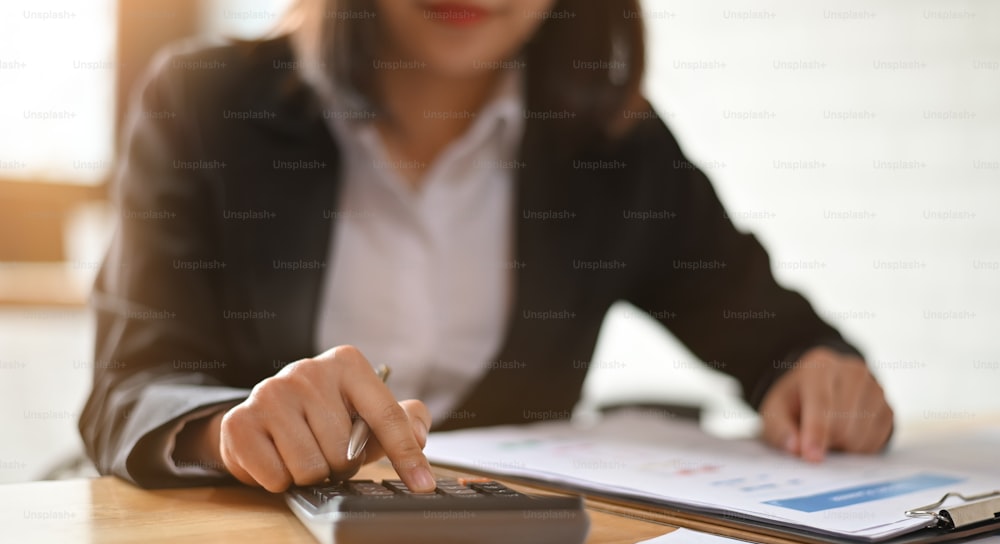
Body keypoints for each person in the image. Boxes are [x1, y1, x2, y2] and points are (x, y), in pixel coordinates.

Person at [80, 0, 894, 492]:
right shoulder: (203, 102)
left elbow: (785, 342)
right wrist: (226, 427)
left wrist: (817, 375)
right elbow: (129, 388)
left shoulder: (617, 149)